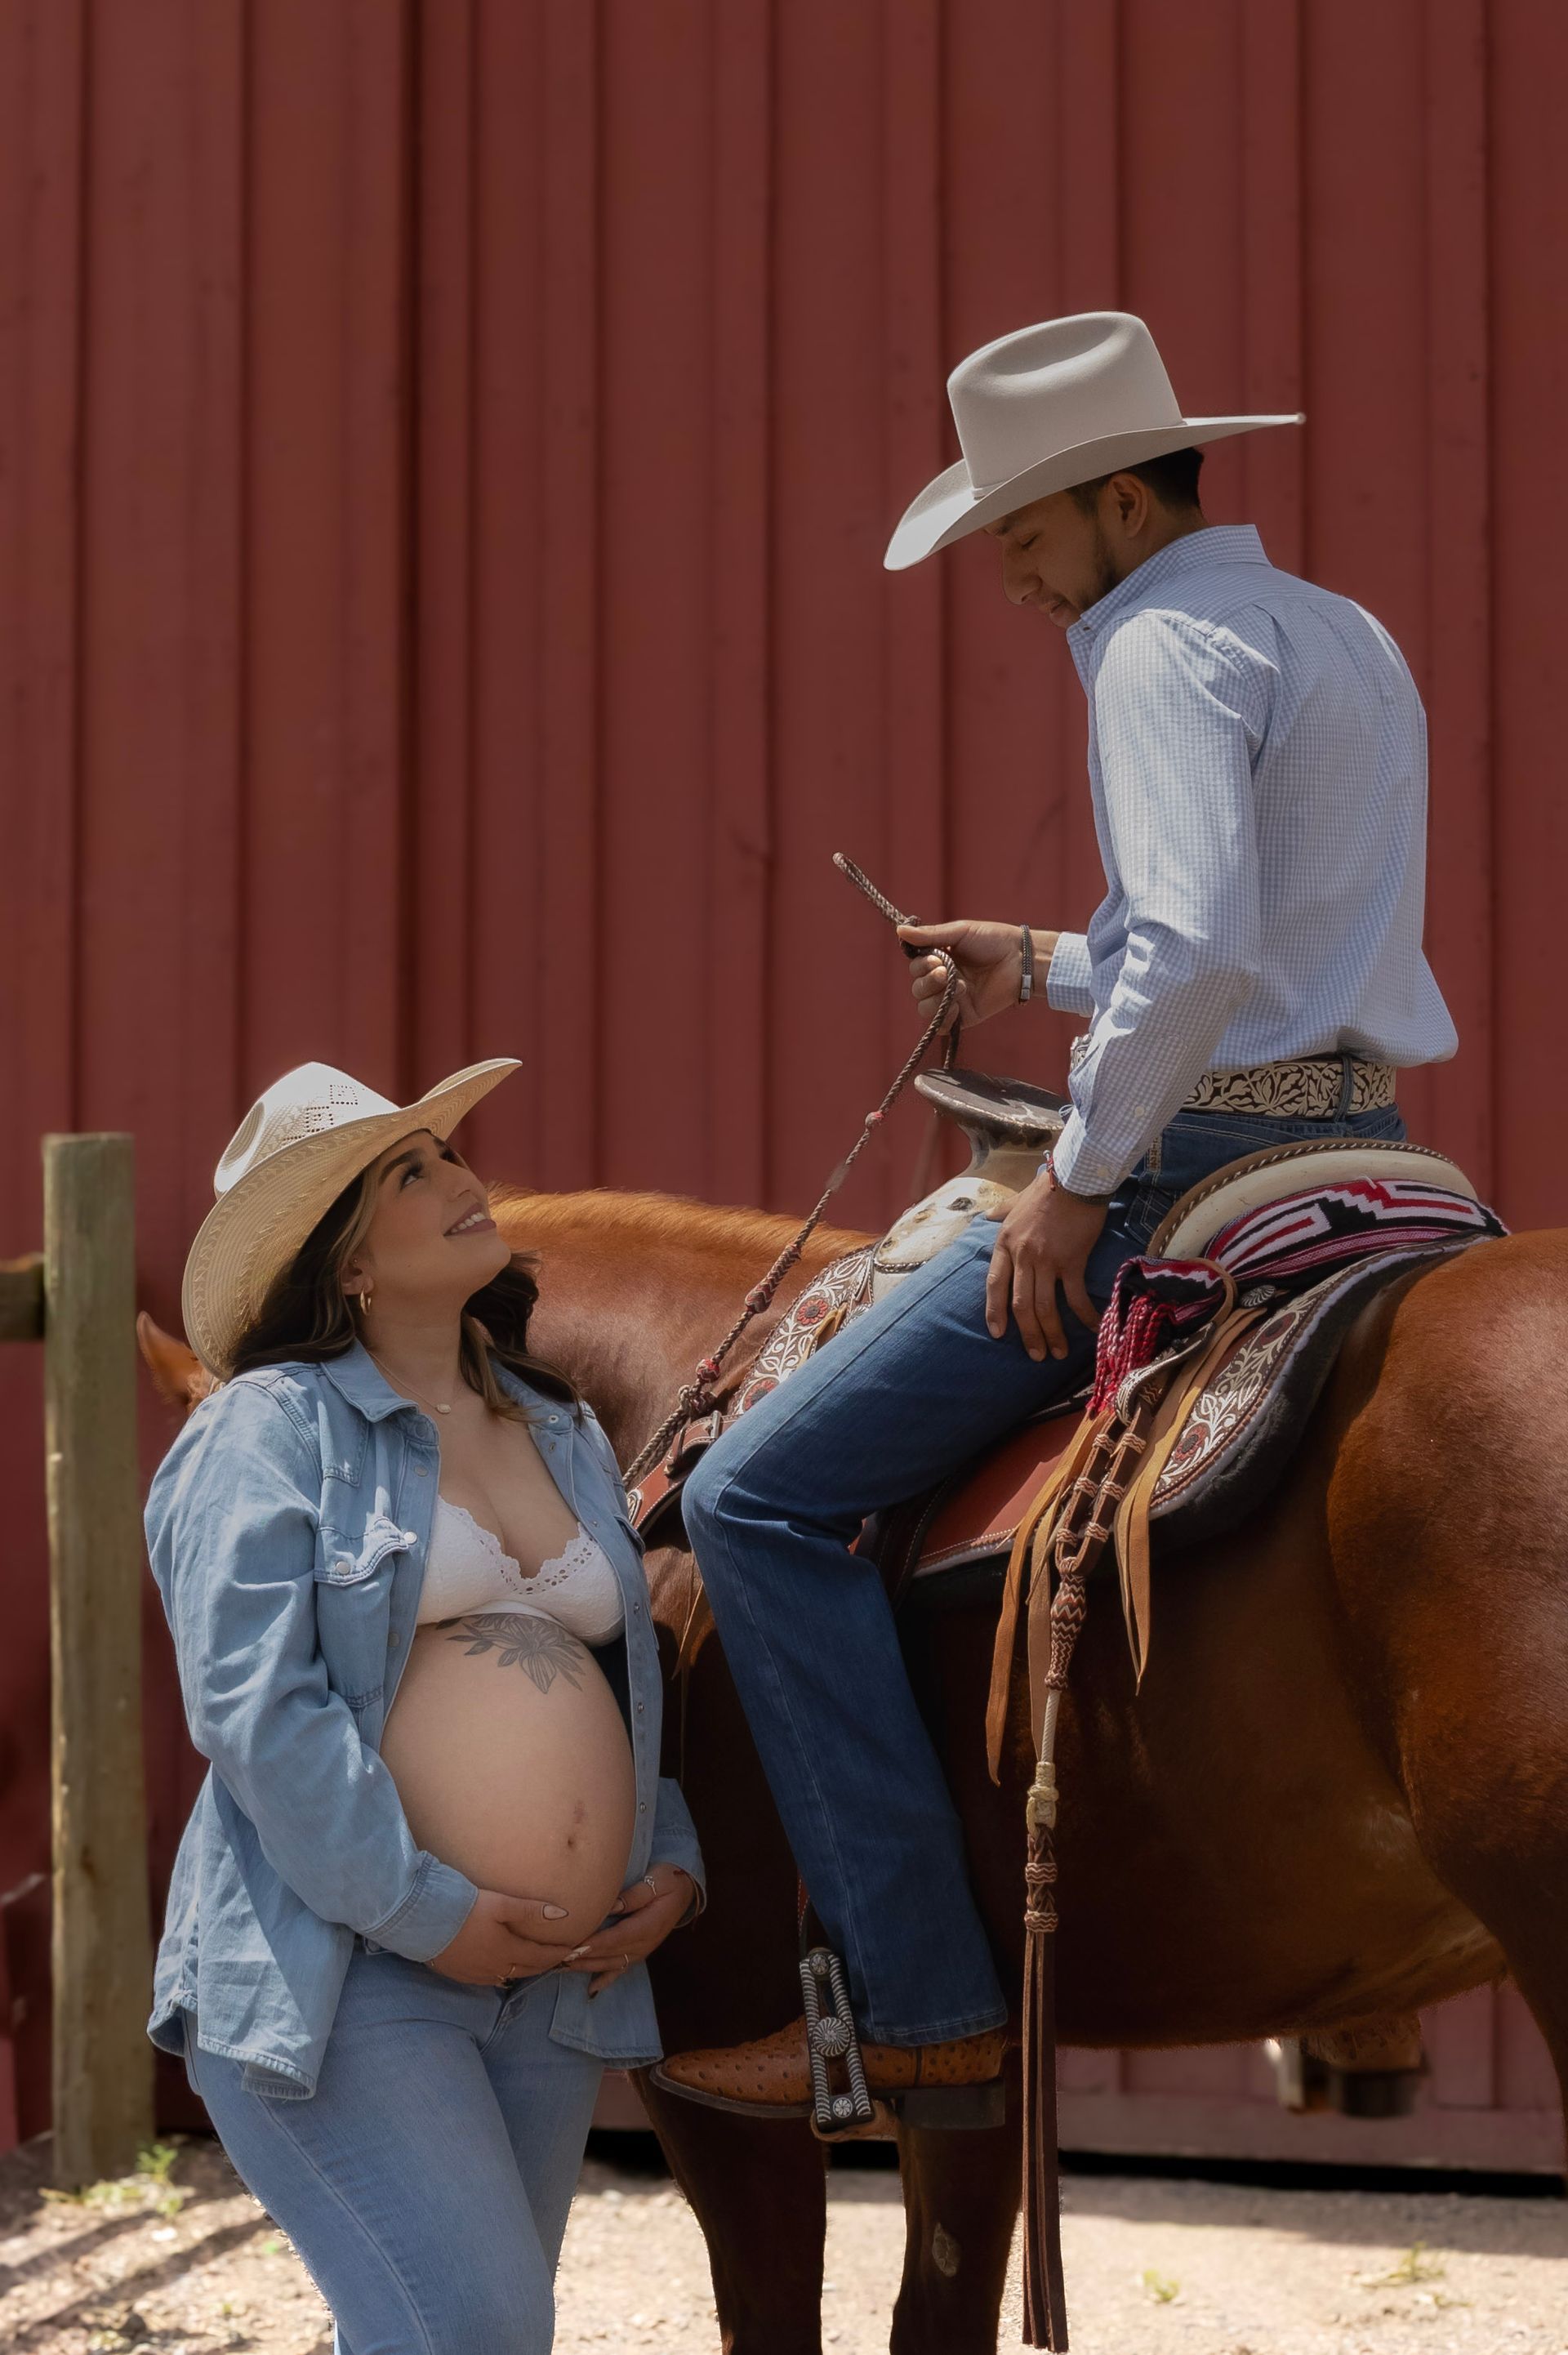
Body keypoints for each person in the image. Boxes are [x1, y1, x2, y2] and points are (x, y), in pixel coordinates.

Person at [655, 311, 1457, 2118]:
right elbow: (1263, 947)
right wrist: (1033, 960)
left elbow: (1188, 954)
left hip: (1193, 1164)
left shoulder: (1156, 644)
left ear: (1110, 500)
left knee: (753, 1496)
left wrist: (1076, 1188)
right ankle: (1372, 1962)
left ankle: (920, 2005)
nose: (1009, 572)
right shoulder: (1341, 632)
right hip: (1372, 1143)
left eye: (1018, 529)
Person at [146, 1057, 704, 2355]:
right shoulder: (265, 1431)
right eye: (408, 1172)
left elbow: (626, 1684)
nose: (462, 1176)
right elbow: (255, 1714)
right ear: (345, 1264)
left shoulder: (555, 1422)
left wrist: (664, 1858)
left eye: (449, 1153)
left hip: (555, 1988)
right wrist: (428, 1912)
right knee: (474, 2327)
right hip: (352, 1972)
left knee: (450, 2335)